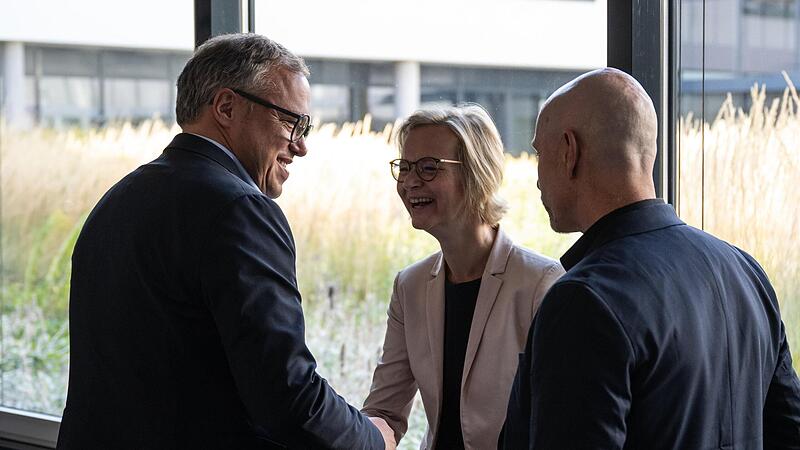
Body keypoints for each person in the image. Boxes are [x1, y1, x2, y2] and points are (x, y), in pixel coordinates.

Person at [57, 33, 394, 450]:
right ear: (227, 107)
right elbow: (286, 395)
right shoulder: (239, 209)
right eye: (293, 121)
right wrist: (372, 439)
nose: (302, 146)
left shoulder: (118, 198)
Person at [501, 67, 800, 448]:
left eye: (539, 153)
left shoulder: (584, 300)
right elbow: (789, 434)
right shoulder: (745, 272)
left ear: (568, 152)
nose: (538, 177)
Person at [361, 104, 564, 449]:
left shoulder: (541, 284)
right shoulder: (409, 286)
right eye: (405, 167)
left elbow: (556, 423)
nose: (410, 182)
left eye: (428, 168)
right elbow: (384, 411)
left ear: (476, 174)